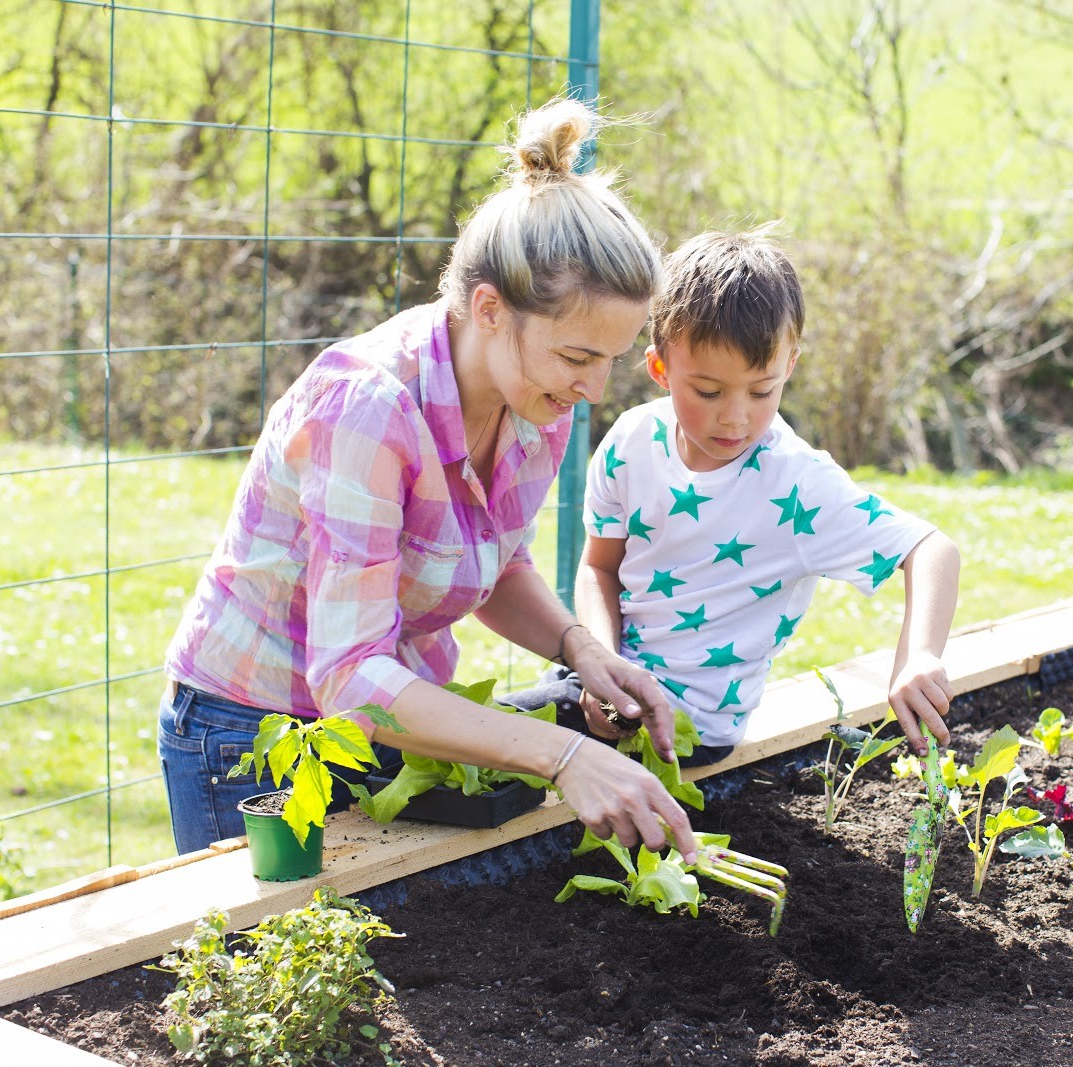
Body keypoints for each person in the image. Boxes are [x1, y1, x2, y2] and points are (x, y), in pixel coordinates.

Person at [158, 97, 697, 863]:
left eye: (608, 359)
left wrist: (582, 649)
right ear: (489, 309)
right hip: (253, 734)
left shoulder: (535, 400)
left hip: (389, 716)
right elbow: (349, 676)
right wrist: (565, 754)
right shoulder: (368, 408)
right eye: (578, 357)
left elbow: (493, 561)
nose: (596, 389)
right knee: (280, 942)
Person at [554, 228, 961, 761]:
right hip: (603, 684)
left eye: (762, 390)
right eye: (708, 391)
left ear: (789, 366)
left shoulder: (796, 484)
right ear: (660, 368)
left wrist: (918, 656)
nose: (735, 417)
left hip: (688, 726)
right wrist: (603, 664)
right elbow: (598, 568)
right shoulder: (631, 441)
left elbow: (932, 549)